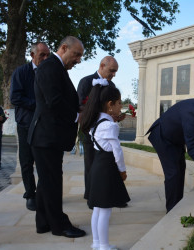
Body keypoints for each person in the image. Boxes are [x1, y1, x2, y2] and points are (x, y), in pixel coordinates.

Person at [27, 36, 85, 238]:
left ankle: (43, 223)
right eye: (76, 54)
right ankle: (60, 226)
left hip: (47, 136)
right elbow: (54, 102)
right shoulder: (50, 67)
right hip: (45, 137)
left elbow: (62, 99)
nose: (78, 60)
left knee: (46, 182)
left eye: (80, 56)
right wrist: (78, 114)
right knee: (52, 182)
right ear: (63, 48)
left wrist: (78, 107)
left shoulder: (56, 68)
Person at [80, 82, 130, 250]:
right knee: (105, 210)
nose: (120, 107)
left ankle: (97, 243)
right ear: (110, 105)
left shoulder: (96, 122)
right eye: (119, 103)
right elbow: (117, 150)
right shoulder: (110, 125)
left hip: (97, 166)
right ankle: (103, 246)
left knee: (98, 209)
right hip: (107, 169)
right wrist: (122, 170)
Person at [77, 56, 126, 203]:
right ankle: (91, 196)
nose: (113, 74)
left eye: (115, 72)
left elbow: (110, 107)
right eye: (112, 70)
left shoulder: (111, 85)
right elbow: (79, 105)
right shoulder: (86, 81)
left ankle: (110, 195)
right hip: (90, 131)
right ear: (102, 65)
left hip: (106, 131)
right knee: (91, 163)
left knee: (107, 165)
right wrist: (100, 115)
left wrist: (114, 116)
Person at [10, 42, 50, 211]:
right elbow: (15, 98)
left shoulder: (49, 73)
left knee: (45, 162)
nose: (46, 58)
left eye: (48, 55)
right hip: (26, 124)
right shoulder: (21, 72)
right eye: (42, 55)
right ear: (32, 55)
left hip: (45, 124)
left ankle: (44, 193)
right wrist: (37, 104)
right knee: (27, 161)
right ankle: (30, 194)